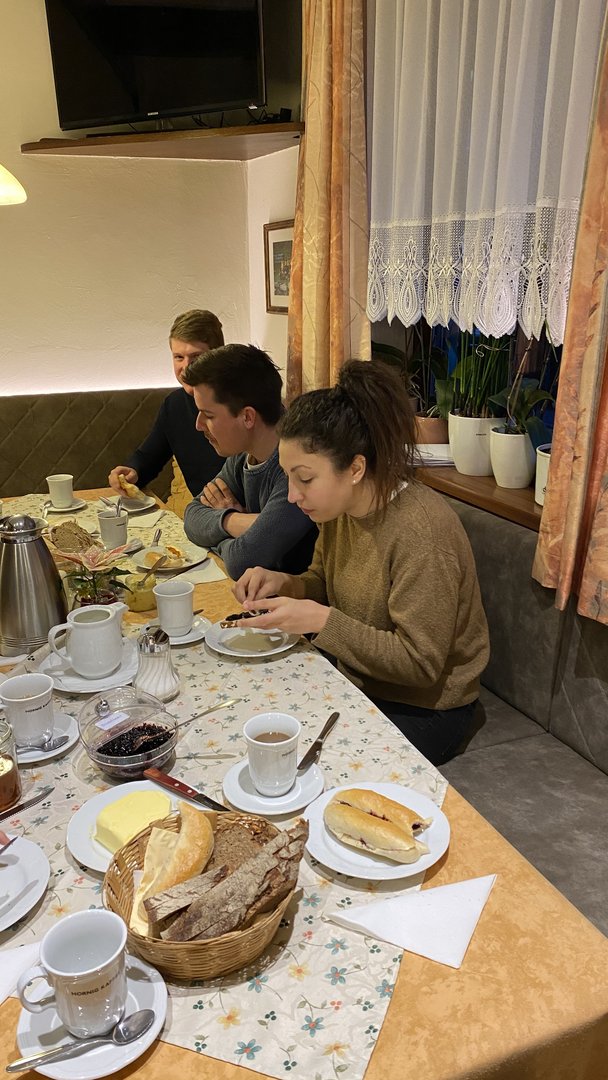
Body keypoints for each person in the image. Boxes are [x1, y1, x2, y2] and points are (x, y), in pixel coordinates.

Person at [232, 359, 490, 766]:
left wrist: (321, 621)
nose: (293, 495)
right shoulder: (339, 510)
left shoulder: (422, 531)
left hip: (427, 707)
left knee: (307, 763)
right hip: (360, 681)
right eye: (288, 477)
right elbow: (323, 581)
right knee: (256, 717)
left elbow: (420, 663)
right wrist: (284, 583)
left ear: (355, 468)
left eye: (305, 478)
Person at [181, 344, 317, 580]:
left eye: (209, 415)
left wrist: (223, 534)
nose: (198, 425)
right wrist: (234, 521)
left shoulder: (297, 469)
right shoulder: (242, 455)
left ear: (247, 417)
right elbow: (192, 517)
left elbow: (242, 561)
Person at [108, 310, 225, 498]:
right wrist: (132, 471)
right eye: (179, 357)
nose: (186, 367)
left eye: (196, 357)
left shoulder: (239, 403)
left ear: (218, 355)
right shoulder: (174, 404)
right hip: (202, 509)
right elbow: (149, 456)